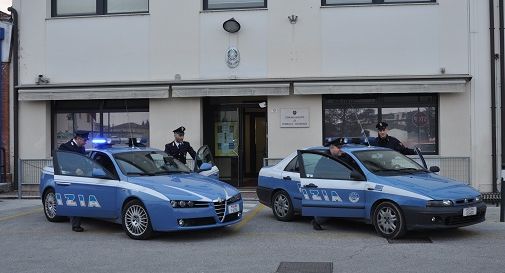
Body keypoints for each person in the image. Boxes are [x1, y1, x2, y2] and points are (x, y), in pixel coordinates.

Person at [58, 130, 89, 232]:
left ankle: (75, 220)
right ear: (78, 138)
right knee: (76, 200)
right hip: (71, 177)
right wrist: (75, 169)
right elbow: (62, 162)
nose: (85, 142)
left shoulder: (82, 148)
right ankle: (76, 225)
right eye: (84, 140)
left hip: (82, 177)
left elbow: (84, 162)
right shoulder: (65, 147)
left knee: (80, 199)